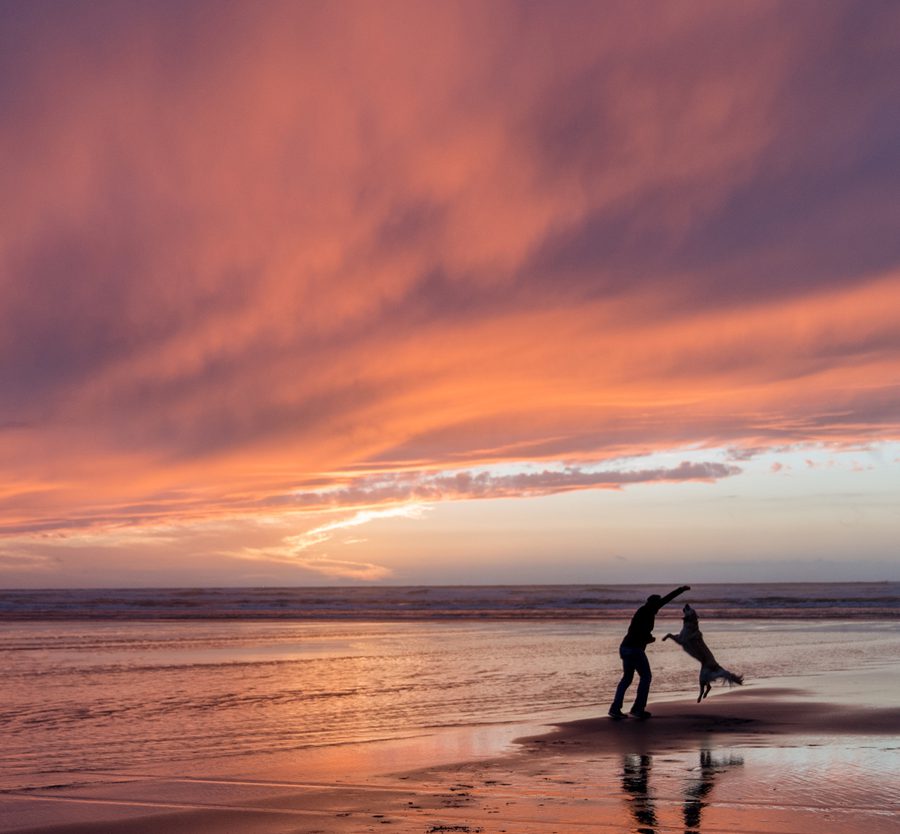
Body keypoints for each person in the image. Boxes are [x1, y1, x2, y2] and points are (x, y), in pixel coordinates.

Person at [609, 585, 690, 720]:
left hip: (625, 647)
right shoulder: (648, 612)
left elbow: (666, 600)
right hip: (634, 649)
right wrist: (649, 638)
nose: (660, 608)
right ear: (654, 604)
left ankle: (615, 708)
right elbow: (640, 632)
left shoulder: (643, 610)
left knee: (627, 679)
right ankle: (637, 709)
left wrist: (680, 590)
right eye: (658, 604)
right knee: (646, 677)